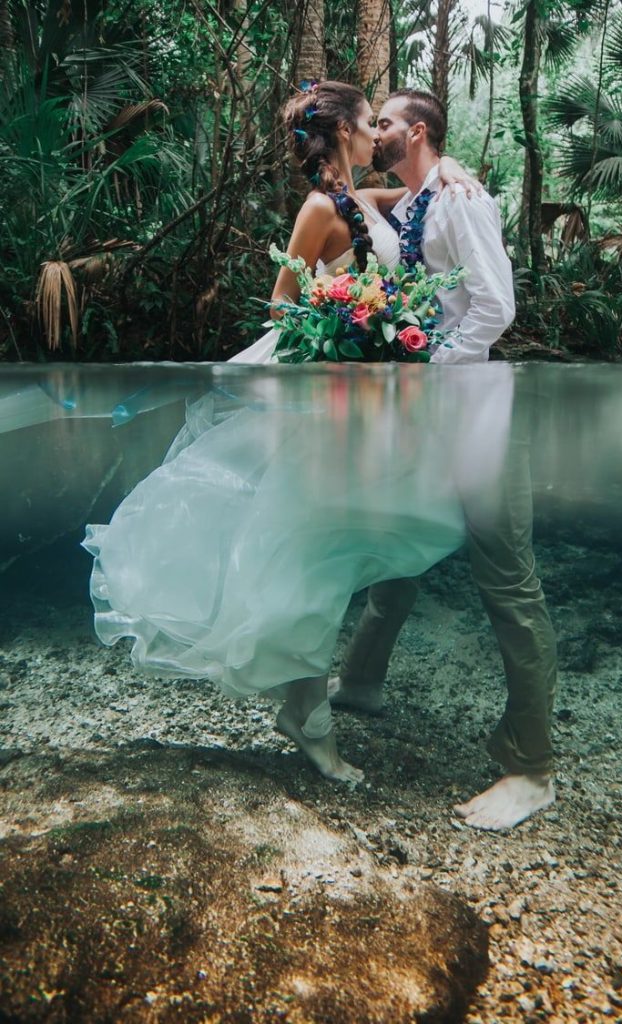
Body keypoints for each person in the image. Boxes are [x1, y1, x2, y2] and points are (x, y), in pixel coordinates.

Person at [83, 81, 481, 787]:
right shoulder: (318, 207)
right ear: (348, 133)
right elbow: (280, 303)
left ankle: (312, 702)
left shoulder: (357, 200)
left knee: (339, 555)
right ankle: (307, 719)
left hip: (359, 412)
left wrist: (449, 167)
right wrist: (351, 327)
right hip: (321, 408)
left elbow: (404, 202)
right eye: (371, 124)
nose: (379, 135)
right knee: (310, 564)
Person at [328, 89, 558, 831]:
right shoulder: (419, 199)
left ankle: (531, 767)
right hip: (428, 417)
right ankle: (360, 681)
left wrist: (436, 373)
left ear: (415, 131)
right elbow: (358, 194)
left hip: (478, 413)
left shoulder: (460, 203)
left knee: (508, 583)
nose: (376, 131)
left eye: (385, 121)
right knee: (396, 539)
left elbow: (495, 309)